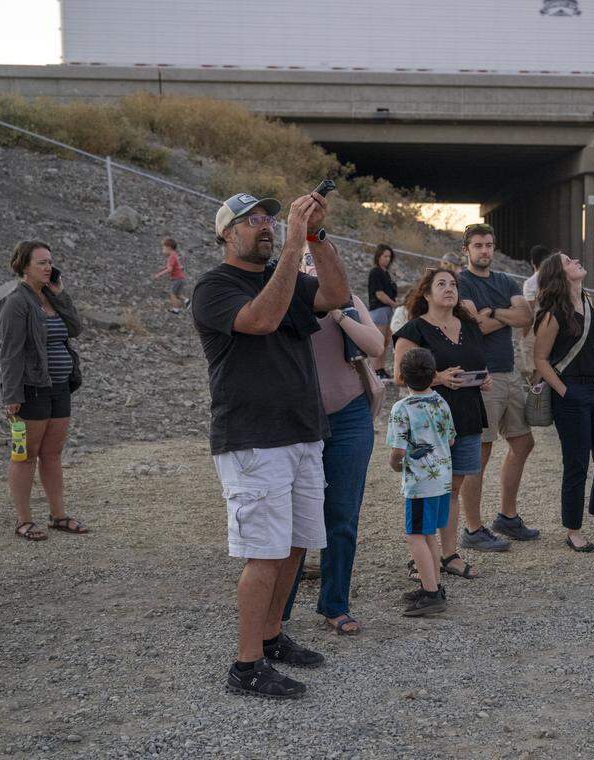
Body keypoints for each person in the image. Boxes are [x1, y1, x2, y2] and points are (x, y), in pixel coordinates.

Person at [192, 190, 350, 699]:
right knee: (263, 553)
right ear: (226, 234)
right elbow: (259, 320)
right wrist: (288, 250)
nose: (263, 226)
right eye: (251, 220)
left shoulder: (289, 279)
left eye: (268, 219)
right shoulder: (213, 287)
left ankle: (271, 635)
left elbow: (336, 295)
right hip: (252, 438)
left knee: (296, 543)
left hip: (302, 431)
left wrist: (316, 238)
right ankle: (246, 665)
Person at [279, 256, 385, 636]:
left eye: (320, 263)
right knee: (293, 519)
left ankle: (335, 604)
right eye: (306, 263)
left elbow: (376, 347)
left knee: (342, 516)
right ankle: (280, 610)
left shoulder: (350, 302)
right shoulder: (282, 303)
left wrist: (340, 314)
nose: (315, 270)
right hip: (300, 423)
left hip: (350, 417)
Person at [393, 267, 492, 580]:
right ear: (426, 293)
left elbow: (478, 362)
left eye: (453, 284)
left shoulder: (470, 326)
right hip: (429, 426)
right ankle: (423, 557)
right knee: (430, 491)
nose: (449, 288)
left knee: (453, 489)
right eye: (441, 284)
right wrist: (438, 378)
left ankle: (448, 555)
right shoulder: (413, 331)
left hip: (468, 415)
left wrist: (483, 378)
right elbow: (399, 375)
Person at [532, 252, 594, 552]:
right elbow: (540, 360)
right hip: (572, 395)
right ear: (559, 274)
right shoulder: (551, 314)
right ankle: (573, 529)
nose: (576, 261)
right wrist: (564, 391)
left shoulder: (587, 300)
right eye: (568, 261)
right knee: (576, 464)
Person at [456, 223, 539, 549]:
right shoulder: (461, 283)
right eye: (478, 245)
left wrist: (494, 313)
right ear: (467, 249)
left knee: (523, 443)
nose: (485, 251)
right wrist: (503, 315)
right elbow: (472, 328)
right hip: (482, 378)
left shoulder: (505, 280)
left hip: (510, 373)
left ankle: (506, 517)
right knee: (480, 452)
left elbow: (525, 317)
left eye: (489, 245)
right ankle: (473, 530)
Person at [0, 240, 87, 541]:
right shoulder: (16, 302)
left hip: (60, 388)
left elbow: (75, 328)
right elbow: (10, 352)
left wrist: (61, 295)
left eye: (50, 262)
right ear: (24, 267)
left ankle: (58, 516)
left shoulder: (50, 296)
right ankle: (23, 521)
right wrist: (11, 396)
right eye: (42, 263)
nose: (49, 267)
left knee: (52, 453)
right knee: (25, 455)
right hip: (31, 389)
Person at [388, 347, 457, 616]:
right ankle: (434, 585)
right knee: (428, 534)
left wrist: (394, 465)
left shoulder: (401, 408)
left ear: (402, 377)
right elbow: (451, 439)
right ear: (433, 375)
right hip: (442, 479)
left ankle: (431, 593)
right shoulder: (441, 401)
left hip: (420, 484)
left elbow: (398, 451)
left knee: (415, 535)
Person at [520, 244, 553, 380]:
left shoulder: (531, 283)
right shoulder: (558, 280)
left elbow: (529, 313)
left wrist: (524, 335)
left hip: (538, 330)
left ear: (532, 262)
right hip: (556, 329)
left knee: (535, 373)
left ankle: (537, 398)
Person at [367, 243, 399, 380]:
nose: (387, 259)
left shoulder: (386, 274)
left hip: (388, 309)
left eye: (389, 257)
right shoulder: (375, 272)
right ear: (378, 256)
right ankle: (374, 370)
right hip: (379, 309)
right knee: (378, 342)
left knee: (386, 341)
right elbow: (379, 294)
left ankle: (380, 368)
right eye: (384, 256)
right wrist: (395, 304)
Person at [152, 237, 189, 314]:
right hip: (181, 278)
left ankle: (176, 309)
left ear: (169, 248)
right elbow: (175, 265)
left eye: (163, 248)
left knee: (172, 294)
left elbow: (169, 269)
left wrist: (159, 274)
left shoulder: (171, 257)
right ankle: (187, 301)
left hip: (177, 279)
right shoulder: (174, 254)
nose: (163, 250)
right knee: (178, 294)